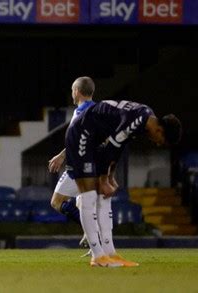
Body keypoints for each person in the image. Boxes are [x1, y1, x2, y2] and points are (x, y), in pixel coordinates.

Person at [65, 99, 182, 267]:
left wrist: (110, 176)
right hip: (81, 134)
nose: (157, 143)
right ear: (159, 130)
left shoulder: (145, 117)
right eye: (160, 140)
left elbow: (118, 147)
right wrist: (104, 179)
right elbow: (112, 146)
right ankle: (97, 256)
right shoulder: (138, 120)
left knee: (104, 196)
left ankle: (110, 253)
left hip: (95, 139)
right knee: (89, 195)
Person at [48, 77, 95, 248]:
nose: (71, 94)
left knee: (57, 202)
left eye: (72, 90)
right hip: (88, 164)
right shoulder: (91, 110)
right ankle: (92, 236)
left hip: (79, 166)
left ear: (77, 91)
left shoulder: (84, 112)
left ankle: (91, 232)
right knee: (82, 204)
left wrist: (62, 156)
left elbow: (80, 141)